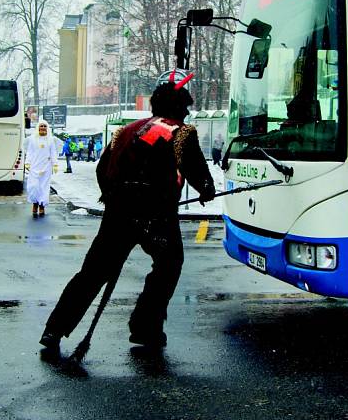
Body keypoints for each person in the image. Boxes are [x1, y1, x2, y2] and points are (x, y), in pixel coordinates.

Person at [39, 74, 215, 351]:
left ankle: (54, 329)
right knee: (169, 266)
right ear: (180, 107)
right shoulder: (182, 133)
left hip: (118, 213)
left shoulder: (127, 130)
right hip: (157, 217)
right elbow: (200, 177)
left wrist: (114, 197)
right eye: (185, 107)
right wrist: (206, 191)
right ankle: (146, 327)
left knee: (92, 273)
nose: (187, 112)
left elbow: (102, 169)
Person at [25, 120, 58, 217]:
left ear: (47, 128)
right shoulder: (32, 139)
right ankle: (35, 204)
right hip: (34, 167)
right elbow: (30, 152)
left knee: (43, 187)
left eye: (44, 126)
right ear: (38, 127)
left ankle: (42, 205)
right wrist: (27, 163)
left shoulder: (51, 140)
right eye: (41, 126)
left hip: (46, 167)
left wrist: (55, 164)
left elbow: (53, 153)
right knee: (34, 186)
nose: (43, 128)